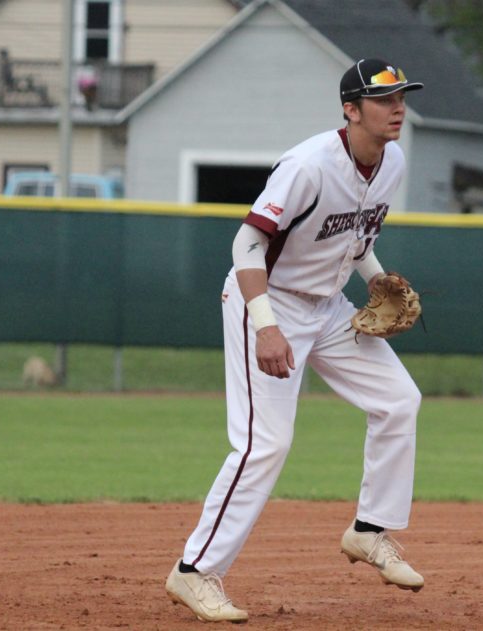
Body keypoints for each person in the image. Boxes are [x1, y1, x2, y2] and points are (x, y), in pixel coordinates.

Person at [165, 58, 425, 623]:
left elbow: (353, 241)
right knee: (266, 443)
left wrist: (375, 279)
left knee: (399, 400)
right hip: (267, 300)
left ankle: (369, 530)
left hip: (329, 308)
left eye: (402, 96)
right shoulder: (308, 166)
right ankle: (194, 572)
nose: (397, 107)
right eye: (383, 100)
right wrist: (266, 326)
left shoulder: (393, 162)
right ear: (351, 110)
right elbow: (246, 247)